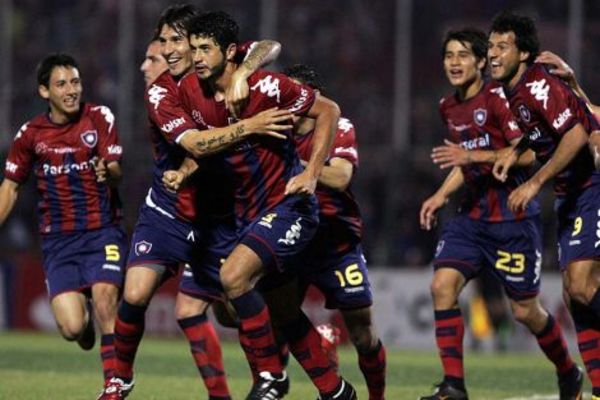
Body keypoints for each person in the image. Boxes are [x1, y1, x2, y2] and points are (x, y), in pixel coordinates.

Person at [98, 5, 287, 400]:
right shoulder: (162, 90)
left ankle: (271, 371)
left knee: (232, 310)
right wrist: (248, 125)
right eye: (161, 41)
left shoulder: (217, 70)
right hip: (167, 210)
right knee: (134, 294)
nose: (166, 49)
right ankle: (119, 380)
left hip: (219, 217)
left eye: (174, 40)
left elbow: (270, 45)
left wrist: (246, 73)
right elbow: (198, 145)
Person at [176, 11, 356, 400]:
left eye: (205, 49)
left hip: (290, 208)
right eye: (194, 50)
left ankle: (269, 376)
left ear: (229, 52)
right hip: (245, 216)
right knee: (284, 313)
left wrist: (312, 172)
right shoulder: (191, 94)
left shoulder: (268, 86)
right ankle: (337, 391)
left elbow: (329, 110)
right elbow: (200, 143)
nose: (198, 57)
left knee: (234, 276)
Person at [419, 28, 582, 400]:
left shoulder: (500, 99)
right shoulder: (449, 106)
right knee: (442, 286)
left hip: (512, 218)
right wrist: (440, 195)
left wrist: (473, 157)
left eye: (463, 55)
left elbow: (526, 152)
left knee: (525, 312)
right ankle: (454, 386)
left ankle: (568, 372)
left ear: (480, 62)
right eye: (448, 55)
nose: (454, 63)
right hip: (471, 218)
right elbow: (464, 161)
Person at [489, 11, 600, 400]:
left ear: (523, 53)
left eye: (502, 46)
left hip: (591, 186)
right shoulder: (515, 90)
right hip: (572, 194)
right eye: (490, 46)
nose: (492, 54)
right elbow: (559, 126)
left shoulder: (536, 83)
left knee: (583, 287)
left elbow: (577, 132)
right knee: (574, 295)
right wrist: (515, 148)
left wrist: (535, 183)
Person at [0, 54, 127, 392]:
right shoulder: (30, 135)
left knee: (105, 300)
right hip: (58, 242)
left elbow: (116, 170)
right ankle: (85, 328)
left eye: (75, 82)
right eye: (61, 84)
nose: (71, 90)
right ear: (44, 91)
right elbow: (10, 187)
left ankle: (115, 385)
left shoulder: (99, 117)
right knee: (73, 328)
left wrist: (108, 172)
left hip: (103, 231)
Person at [285, 63, 386, 400]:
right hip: (294, 242)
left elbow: (341, 177)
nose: (287, 103)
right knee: (277, 322)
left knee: (362, 334)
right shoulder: (274, 130)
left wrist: (296, 166)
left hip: (336, 244)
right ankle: (329, 388)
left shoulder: (337, 126)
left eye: (295, 96)